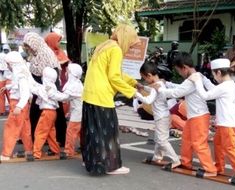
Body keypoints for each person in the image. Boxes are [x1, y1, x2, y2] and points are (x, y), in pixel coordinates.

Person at [81, 23, 141, 175]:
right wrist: (133, 92)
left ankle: (91, 161)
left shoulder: (105, 45)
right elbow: (114, 77)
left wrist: (134, 82)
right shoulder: (116, 50)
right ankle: (112, 166)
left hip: (90, 94)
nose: (131, 47)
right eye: (131, 44)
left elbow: (115, 73)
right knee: (108, 132)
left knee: (92, 131)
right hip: (101, 96)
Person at [153, 52, 217, 176]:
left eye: (179, 71)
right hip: (194, 116)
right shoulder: (197, 76)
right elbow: (182, 88)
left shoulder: (192, 79)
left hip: (199, 116)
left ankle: (210, 170)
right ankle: (186, 162)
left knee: (199, 144)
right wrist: (167, 84)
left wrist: (160, 89)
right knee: (186, 139)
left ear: (184, 67)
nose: (179, 74)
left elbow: (176, 93)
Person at [189, 58, 235, 184]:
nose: (213, 77)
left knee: (230, 148)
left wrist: (197, 82)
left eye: (213, 74)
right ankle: (219, 167)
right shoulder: (229, 84)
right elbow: (214, 89)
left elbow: (206, 95)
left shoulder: (225, 86)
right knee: (218, 144)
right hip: (226, 122)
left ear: (218, 73)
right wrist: (204, 79)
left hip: (227, 123)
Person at [23, 32, 67, 147]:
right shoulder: (37, 54)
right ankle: (40, 139)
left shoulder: (44, 53)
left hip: (48, 86)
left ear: (34, 44)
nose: (27, 48)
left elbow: (49, 74)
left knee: (53, 112)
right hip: (41, 87)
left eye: (28, 45)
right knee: (39, 113)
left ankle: (59, 139)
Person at [135, 61, 180, 168]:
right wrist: (142, 87)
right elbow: (151, 90)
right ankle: (157, 156)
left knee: (161, 140)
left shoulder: (156, 86)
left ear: (149, 75)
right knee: (159, 138)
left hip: (161, 116)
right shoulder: (159, 83)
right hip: (163, 115)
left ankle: (175, 160)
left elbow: (148, 100)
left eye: (144, 78)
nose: (145, 81)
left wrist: (135, 93)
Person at [0, 51, 33, 161]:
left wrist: (19, 106)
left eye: (8, 64)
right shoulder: (21, 72)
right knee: (25, 128)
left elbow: (25, 92)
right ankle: (29, 150)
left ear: (12, 64)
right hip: (22, 104)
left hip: (18, 104)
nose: (7, 67)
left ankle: (6, 154)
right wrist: (8, 87)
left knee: (11, 128)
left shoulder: (20, 75)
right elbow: (18, 85)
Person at [47, 63, 83, 158]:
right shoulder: (76, 84)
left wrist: (51, 93)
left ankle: (68, 151)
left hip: (77, 113)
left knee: (71, 131)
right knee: (80, 131)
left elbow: (64, 97)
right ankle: (84, 147)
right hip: (78, 111)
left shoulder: (74, 85)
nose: (66, 73)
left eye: (68, 72)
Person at [31, 67, 64, 159]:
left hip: (47, 112)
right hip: (52, 113)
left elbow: (35, 89)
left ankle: (36, 153)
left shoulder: (46, 87)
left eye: (43, 75)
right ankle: (55, 150)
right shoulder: (52, 85)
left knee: (40, 132)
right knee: (50, 133)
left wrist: (27, 80)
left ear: (46, 77)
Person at [0, 44, 11, 115]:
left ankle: (2, 111)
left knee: (2, 95)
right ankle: (11, 109)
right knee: (10, 95)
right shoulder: (10, 56)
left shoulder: (1, 55)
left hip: (2, 78)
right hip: (8, 78)